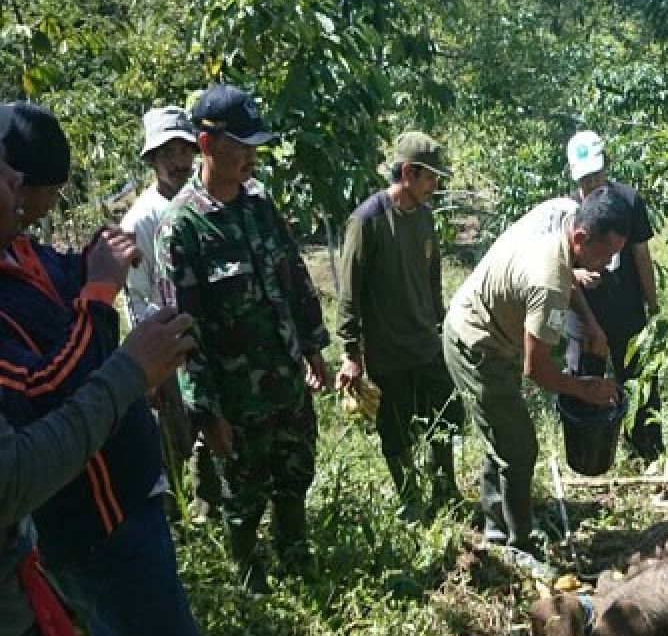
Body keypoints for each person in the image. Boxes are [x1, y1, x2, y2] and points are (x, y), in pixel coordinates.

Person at [0, 102, 206, 636]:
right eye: (25, 196)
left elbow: (74, 279)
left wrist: (97, 260)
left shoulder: (25, 254)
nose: (30, 208)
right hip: (93, 524)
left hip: (126, 498)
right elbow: (45, 393)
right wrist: (96, 300)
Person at [156, 85, 330, 591]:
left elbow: (294, 278)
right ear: (207, 144)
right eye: (242, 144)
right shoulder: (183, 228)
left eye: (256, 144)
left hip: (285, 377)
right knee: (243, 492)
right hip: (236, 397)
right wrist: (207, 413)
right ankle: (251, 579)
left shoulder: (259, 205)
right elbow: (183, 333)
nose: (251, 155)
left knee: (295, 470)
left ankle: (296, 556)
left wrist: (314, 348)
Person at [442, 187, 627, 576]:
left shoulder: (563, 226)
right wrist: (586, 390)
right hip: (476, 343)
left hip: (491, 332)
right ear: (581, 237)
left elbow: (568, 281)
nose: (609, 265)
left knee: (503, 435)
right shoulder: (547, 283)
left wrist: (590, 322)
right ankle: (516, 543)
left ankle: (499, 524)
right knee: (520, 447)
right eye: (605, 254)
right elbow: (536, 370)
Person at [334, 132, 464, 507]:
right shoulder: (368, 221)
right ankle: (411, 500)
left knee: (444, 415)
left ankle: (445, 491)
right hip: (388, 349)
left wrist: (443, 328)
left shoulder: (423, 218)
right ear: (407, 173)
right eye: (430, 178)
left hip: (426, 343)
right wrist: (350, 352)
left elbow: (432, 281)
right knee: (395, 428)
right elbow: (349, 291)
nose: (434, 187)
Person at [120, 107, 219, 521]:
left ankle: (213, 508)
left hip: (207, 337)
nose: (179, 162)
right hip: (170, 345)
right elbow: (137, 298)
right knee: (178, 436)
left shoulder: (203, 203)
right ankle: (180, 521)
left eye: (184, 151)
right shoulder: (141, 219)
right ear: (152, 160)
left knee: (213, 430)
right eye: (168, 154)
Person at [563, 130, 662, 460]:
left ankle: (645, 449)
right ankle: (589, 452)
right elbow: (557, 263)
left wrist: (652, 306)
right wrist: (576, 274)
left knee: (637, 382)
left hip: (626, 310)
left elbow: (641, 256)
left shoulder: (629, 201)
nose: (590, 184)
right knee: (583, 382)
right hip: (582, 315)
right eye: (584, 179)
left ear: (607, 165)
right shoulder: (568, 209)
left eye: (596, 175)